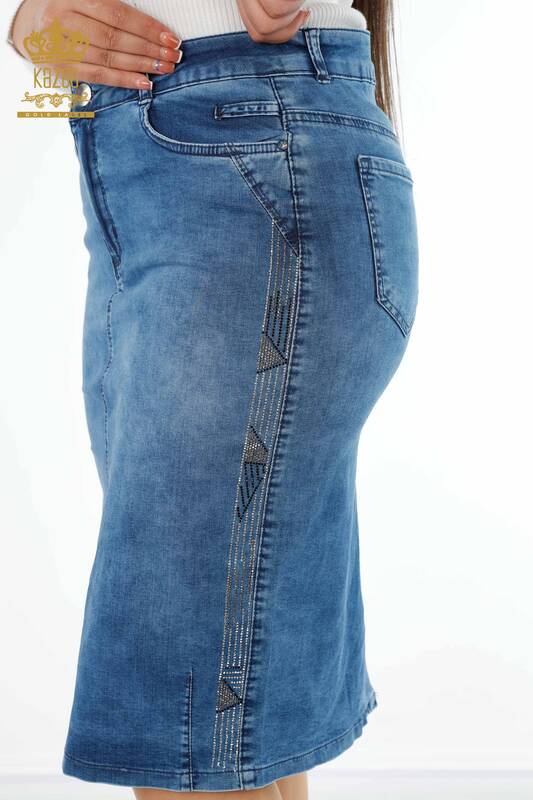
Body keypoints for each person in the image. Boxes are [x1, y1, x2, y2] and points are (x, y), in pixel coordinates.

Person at [8, 1, 419, 798]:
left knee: (192, 722)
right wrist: (30, 20)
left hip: (245, 163)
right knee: (233, 709)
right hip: (160, 172)